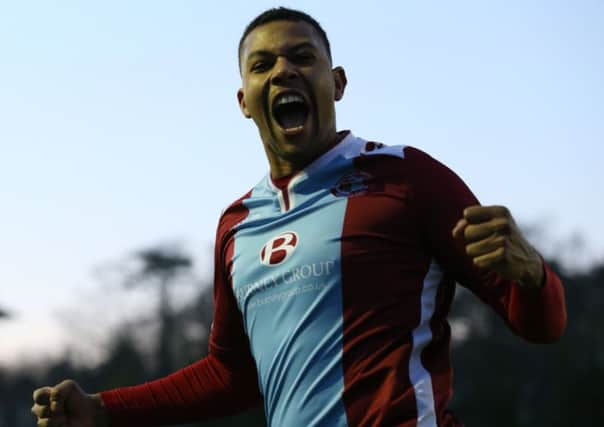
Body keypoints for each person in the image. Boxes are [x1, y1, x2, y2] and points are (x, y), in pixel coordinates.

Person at [32, 7, 566, 427]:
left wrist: (534, 277)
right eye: (263, 64)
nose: (284, 69)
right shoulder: (236, 226)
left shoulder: (407, 177)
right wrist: (105, 410)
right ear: (244, 100)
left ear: (336, 83)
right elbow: (232, 375)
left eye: (302, 58)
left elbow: (542, 325)